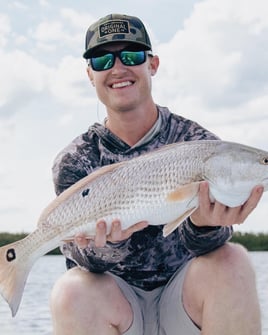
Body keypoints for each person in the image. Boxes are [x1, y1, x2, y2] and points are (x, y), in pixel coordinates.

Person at [50, 14, 263, 335]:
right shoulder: (75, 159)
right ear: (90, 74)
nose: (118, 68)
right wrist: (109, 245)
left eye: (132, 55)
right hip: (117, 307)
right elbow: (79, 257)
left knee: (234, 261)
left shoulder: (198, 142)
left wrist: (204, 226)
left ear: (153, 64)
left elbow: (214, 245)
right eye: (103, 59)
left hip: (185, 303)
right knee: (71, 290)